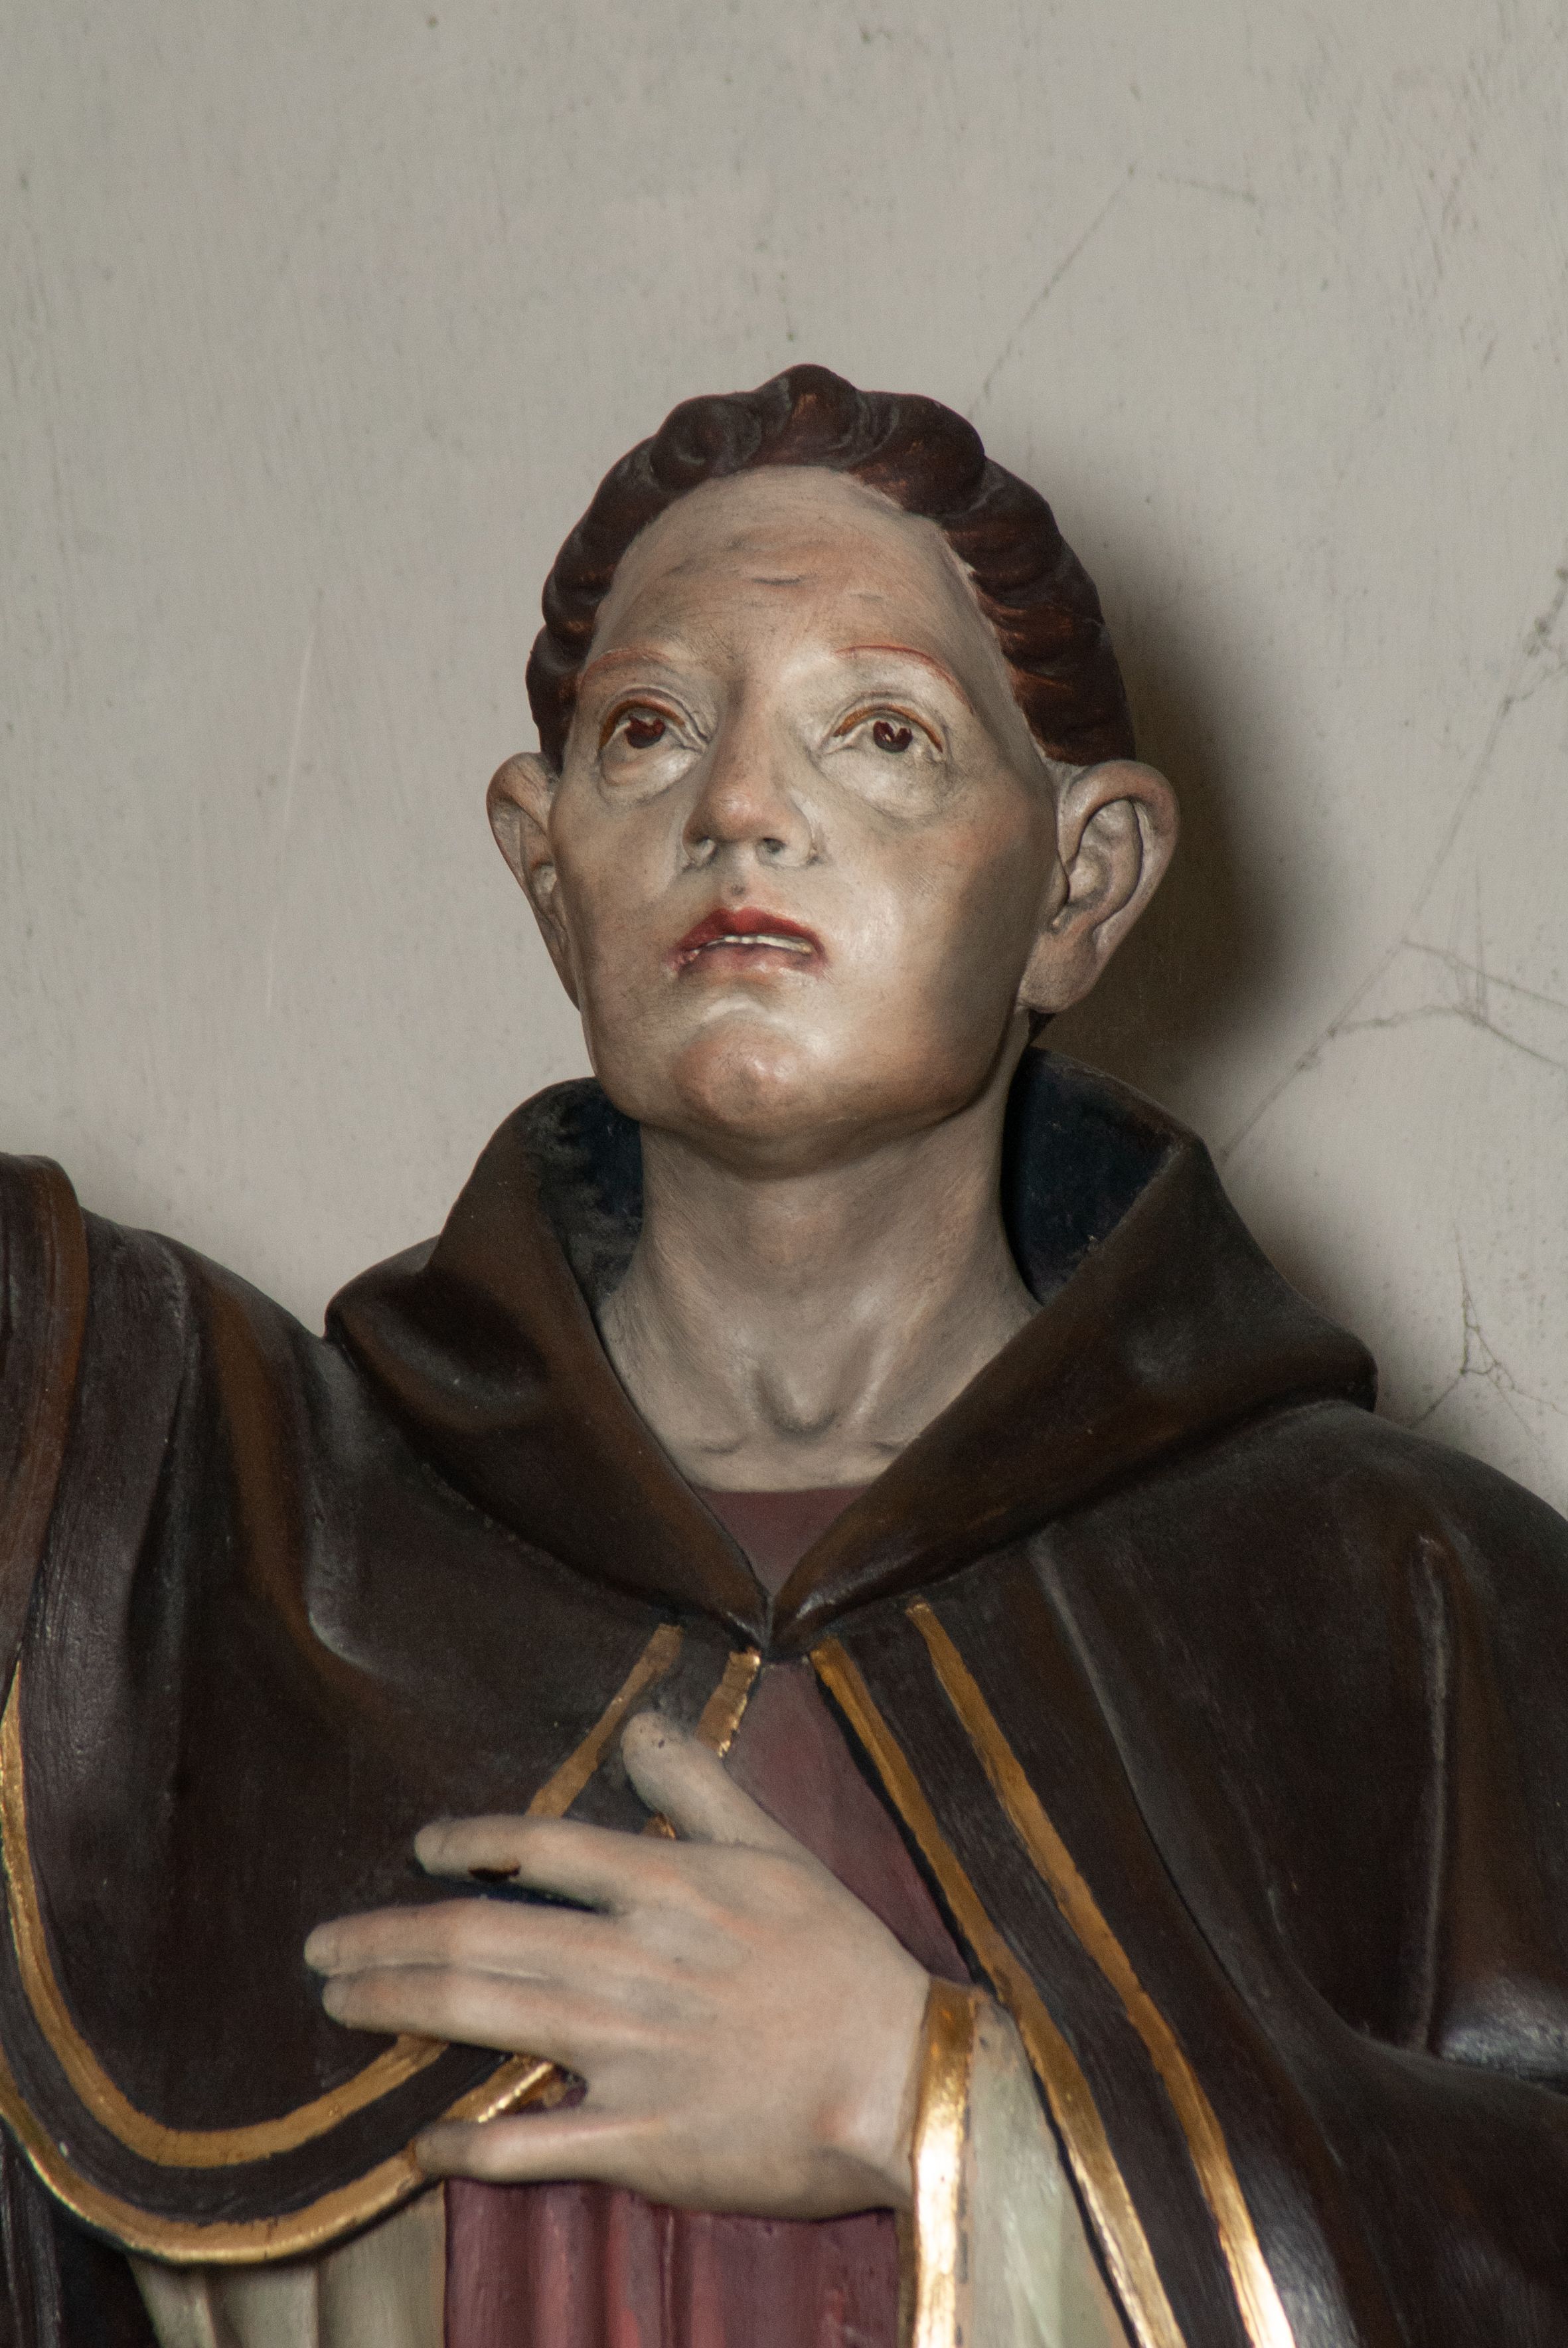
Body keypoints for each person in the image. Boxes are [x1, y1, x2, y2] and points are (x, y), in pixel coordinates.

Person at [3, 366, 1567, 2348]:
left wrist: (930, 2102)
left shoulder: (1407, 1596)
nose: (738, 808)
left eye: (882, 735)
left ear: (1080, 882)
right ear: (546, 861)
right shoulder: (230, 1535)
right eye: (648, 732)